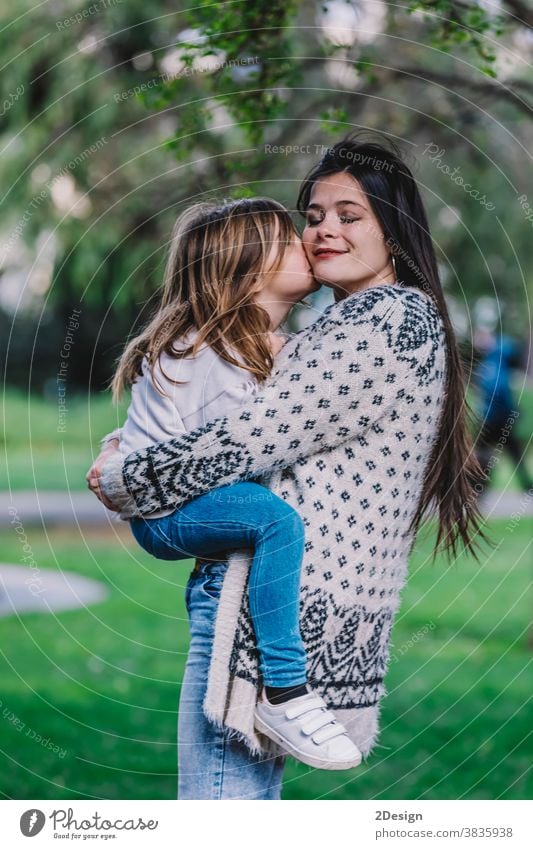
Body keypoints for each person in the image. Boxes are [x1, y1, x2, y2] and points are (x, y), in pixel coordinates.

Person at [88, 134, 486, 800]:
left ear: (394, 231)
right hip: (262, 594)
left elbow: (247, 436)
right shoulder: (342, 324)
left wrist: (125, 476)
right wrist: (125, 444)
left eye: (348, 214)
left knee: (221, 808)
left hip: (262, 604)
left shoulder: (388, 321)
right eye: (313, 215)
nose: (323, 229)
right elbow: (210, 410)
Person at [98, 197, 362, 770]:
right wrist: (115, 459)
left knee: (266, 514)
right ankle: (287, 691)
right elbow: (170, 438)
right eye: (291, 238)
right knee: (272, 517)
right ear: (249, 269)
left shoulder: (253, 349)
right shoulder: (202, 349)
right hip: (167, 518)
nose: (309, 242)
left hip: (198, 506)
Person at [473, 331, 533, 494]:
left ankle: (480, 486)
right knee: (511, 453)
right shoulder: (493, 364)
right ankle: (526, 486)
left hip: (491, 418)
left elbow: (496, 392)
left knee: (484, 453)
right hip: (498, 418)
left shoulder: (493, 363)